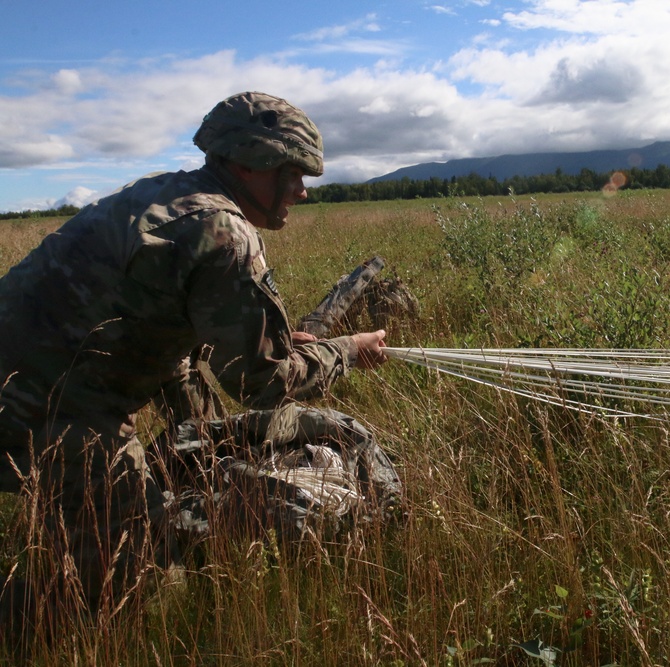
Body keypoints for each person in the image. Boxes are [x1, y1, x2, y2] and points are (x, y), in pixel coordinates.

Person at [0, 91, 398, 631]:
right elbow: (263, 384)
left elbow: (164, 337)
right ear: (249, 163)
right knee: (141, 584)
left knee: (116, 540)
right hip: (55, 408)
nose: (302, 191)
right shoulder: (225, 233)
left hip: (37, 387)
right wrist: (350, 350)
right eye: (294, 172)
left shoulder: (164, 194)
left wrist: (208, 432)